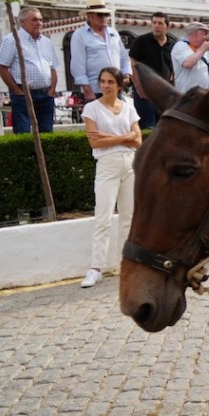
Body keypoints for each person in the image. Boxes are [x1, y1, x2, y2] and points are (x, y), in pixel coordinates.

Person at [80, 67, 141, 288]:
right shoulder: (91, 108)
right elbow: (95, 142)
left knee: (128, 217)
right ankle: (95, 268)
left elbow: (138, 142)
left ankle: (126, 264)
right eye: (102, 81)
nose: (105, 86)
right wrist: (125, 136)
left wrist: (111, 137)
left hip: (130, 163)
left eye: (110, 82)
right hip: (107, 164)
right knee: (103, 216)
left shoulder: (128, 107)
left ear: (118, 85)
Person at [0, 6, 59, 134]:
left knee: (47, 131)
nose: (39, 23)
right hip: (24, 93)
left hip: (45, 93)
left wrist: (52, 89)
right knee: (23, 131)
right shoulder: (12, 40)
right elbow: (2, 69)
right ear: (22, 22)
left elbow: (52, 68)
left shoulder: (46, 42)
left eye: (41, 20)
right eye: (34, 20)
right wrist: (16, 90)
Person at [70, 0, 131, 103]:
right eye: (100, 14)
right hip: (95, 90)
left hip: (116, 88)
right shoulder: (79, 35)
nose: (104, 18)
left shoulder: (113, 33)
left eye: (106, 14)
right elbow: (77, 64)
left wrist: (126, 74)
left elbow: (124, 56)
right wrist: (87, 90)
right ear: (89, 16)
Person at [128, 12, 175, 129]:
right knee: (147, 129)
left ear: (167, 27)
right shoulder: (141, 41)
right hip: (145, 94)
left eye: (160, 23)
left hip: (164, 96)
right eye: (154, 23)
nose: (156, 26)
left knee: (163, 129)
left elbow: (174, 68)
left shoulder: (173, 44)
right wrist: (139, 88)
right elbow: (133, 64)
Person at [170, 22, 209, 93]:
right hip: (189, 97)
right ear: (195, 34)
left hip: (206, 95)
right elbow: (187, 64)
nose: (207, 38)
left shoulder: (203, 50)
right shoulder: (180, 46)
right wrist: (203, 49)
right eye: (205, 34)